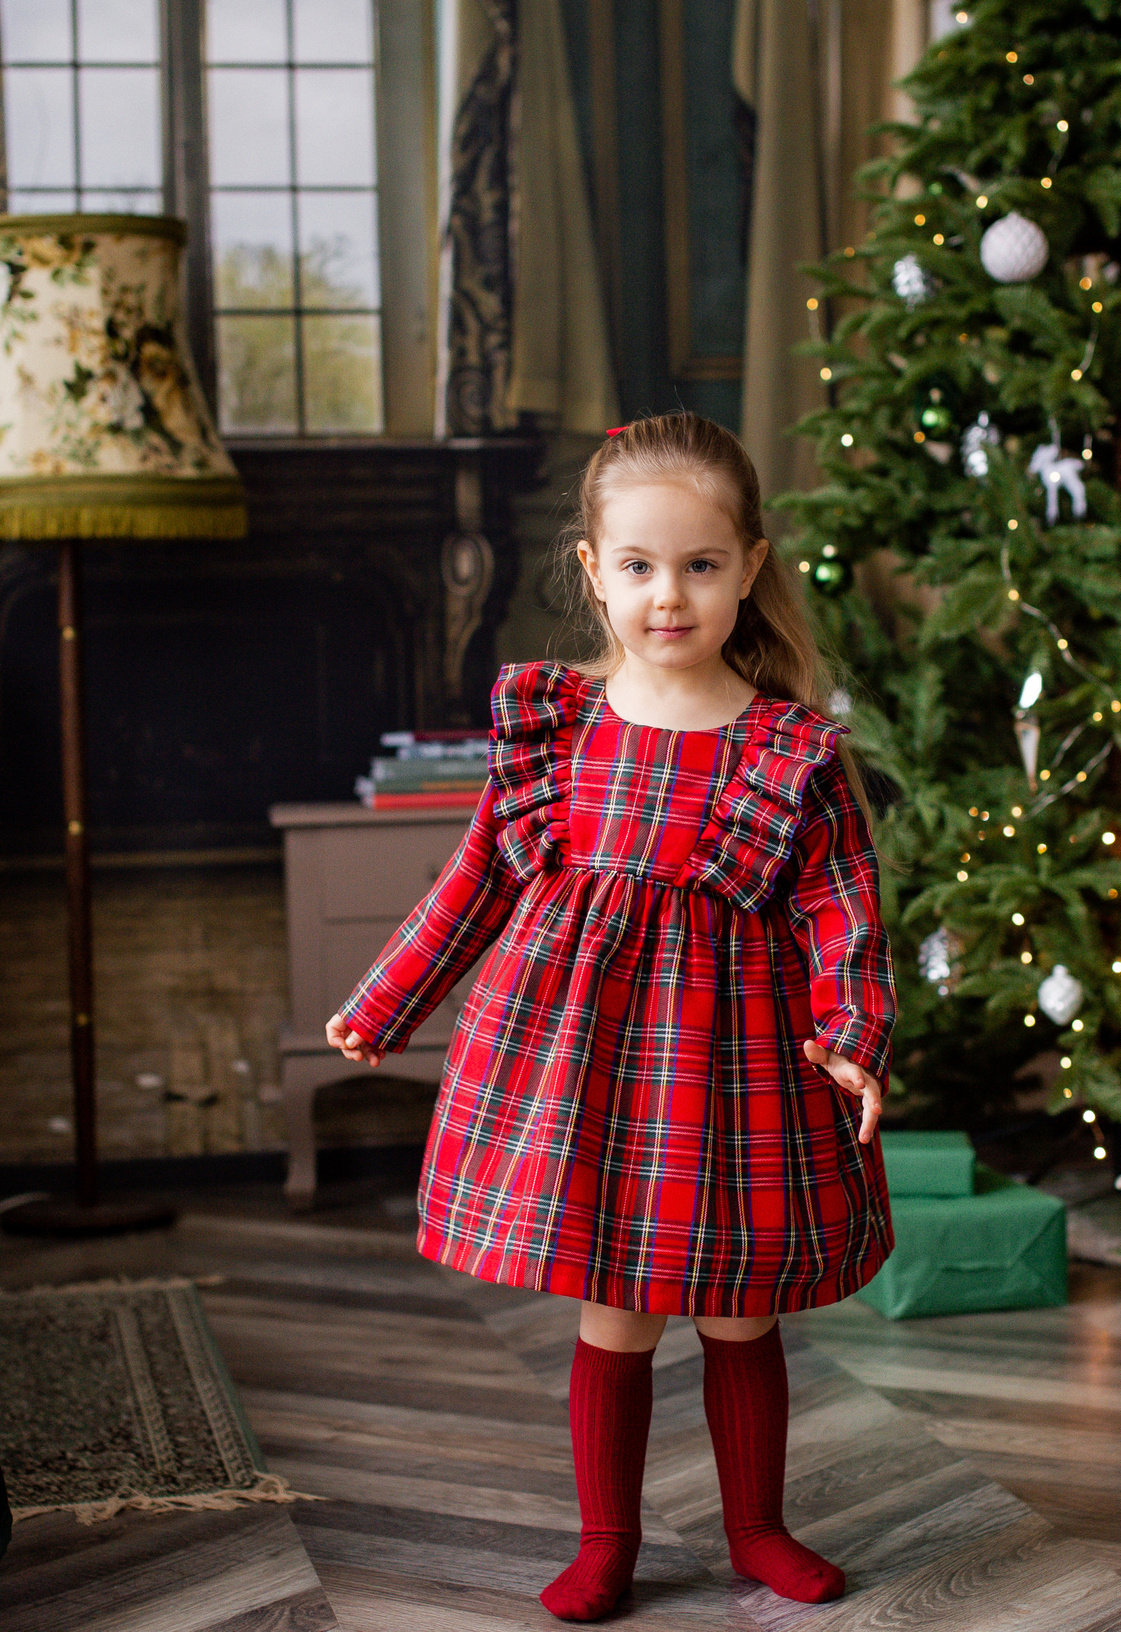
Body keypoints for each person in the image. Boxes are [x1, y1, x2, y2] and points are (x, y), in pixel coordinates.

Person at [325, 412, 895, 1621]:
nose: (669, 596)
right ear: (593, 574)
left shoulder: (787, 752)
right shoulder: (557, 729)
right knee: (617, 1312)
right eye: (638, 567)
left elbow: (844, 915)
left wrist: (851, 1038)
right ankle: (606, 1544)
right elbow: (477, 879)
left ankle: (756, 1528)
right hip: (589, 1080)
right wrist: (386, 1003)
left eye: (699, 566)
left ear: (749, 565)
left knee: (740, 1313)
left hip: (737, 1081)